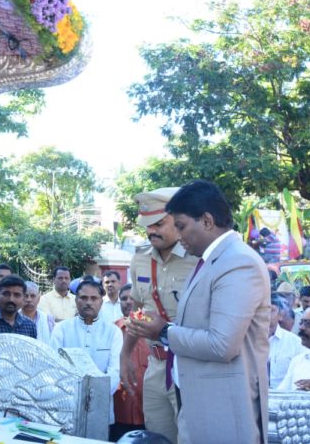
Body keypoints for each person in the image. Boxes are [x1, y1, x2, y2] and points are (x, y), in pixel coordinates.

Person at [128, 180, 270, 444]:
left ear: (206, 221)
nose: (179, 236)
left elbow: (221, 345)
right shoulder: (214, 260)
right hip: (198, 397)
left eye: (181, 226)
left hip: (222, 407)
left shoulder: (238, 262)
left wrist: (163, 331)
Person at [120, 186, 199, 444]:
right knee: (156, 438)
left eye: (159, 223)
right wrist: (125, 354)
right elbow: (138, 310)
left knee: (190, 438)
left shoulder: (197, 259)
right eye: (147, 225)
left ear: (177, 221)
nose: (152, 231)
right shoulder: (140, 259)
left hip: (190, 365)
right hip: (155, 366)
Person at [50, 279, 123, 425]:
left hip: (100, 403)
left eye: (94, 298)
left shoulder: (113, 332)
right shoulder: (62, 329)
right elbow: (54, 368)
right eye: (83, 298)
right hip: (66, 403)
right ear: (76, 300)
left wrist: (96, 395)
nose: (88, 302)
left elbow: (114, 371)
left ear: (101, 302)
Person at [111, 283, 150, 442]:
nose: (128, 302)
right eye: (123, 298)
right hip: (121, 409)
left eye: (132, 298)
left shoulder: (153, 329)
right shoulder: (112, 330)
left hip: (149, 409)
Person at [268, 294, 304, 388]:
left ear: (280, 315)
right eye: (261, 310)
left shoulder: (295, 343)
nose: (265, 314)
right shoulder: (246, 342)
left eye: (271, 310)